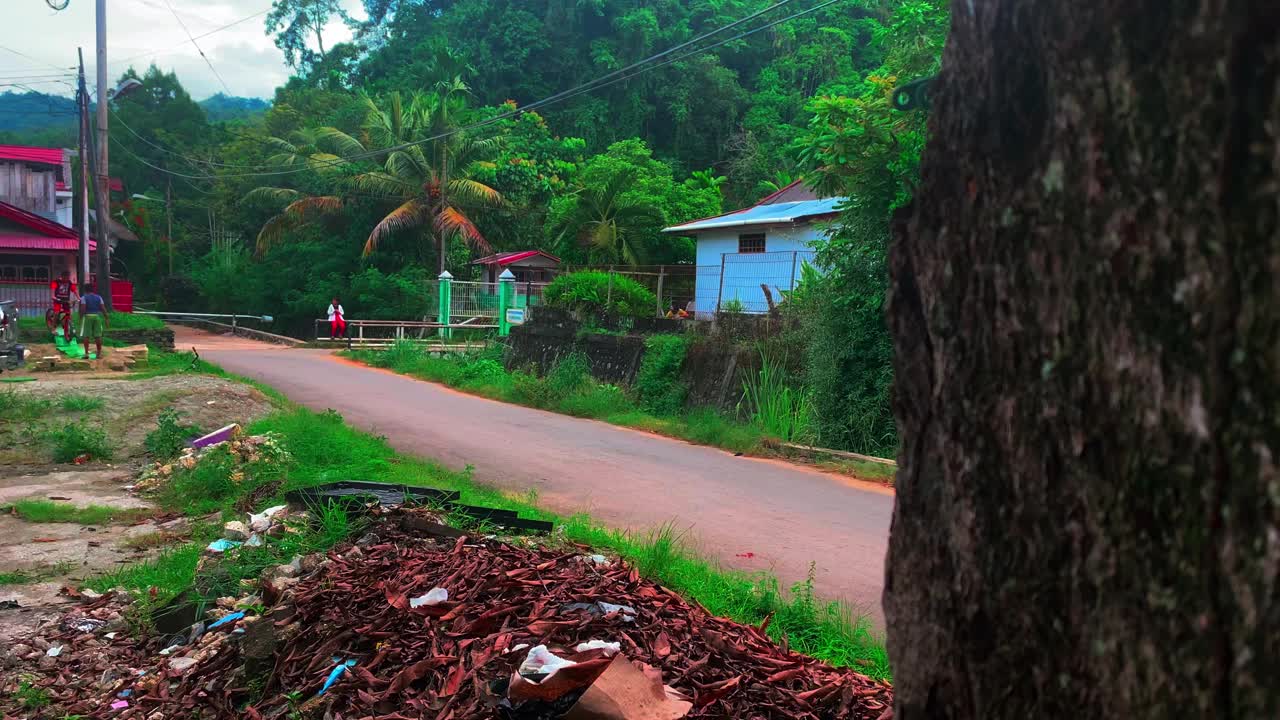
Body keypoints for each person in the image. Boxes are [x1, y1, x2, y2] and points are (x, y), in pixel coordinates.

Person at [78, 283, 108, 359]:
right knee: (98, 335)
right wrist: (106, 318)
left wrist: (80, 317)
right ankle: (98, 353)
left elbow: (83, 308)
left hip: (87, 317)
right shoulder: (99, 297)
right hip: (97, 317)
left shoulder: (84, 298)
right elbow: (103, 308)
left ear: (85, 290)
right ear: (93, 289)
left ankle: (86, 353)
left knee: (86, 336)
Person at [49, 270, 76, 338]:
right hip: (57, 299)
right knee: (57, 313)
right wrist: (53, 297)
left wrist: (78, 298)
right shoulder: (56, 282)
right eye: (66, 277)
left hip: (66, 300)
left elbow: (74, 291)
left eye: (68, 277)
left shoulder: (69, 282)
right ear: (62, 276)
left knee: (69, 314)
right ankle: (53, 328)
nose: (67, 279)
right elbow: (52, 292)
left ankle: (69, 327)